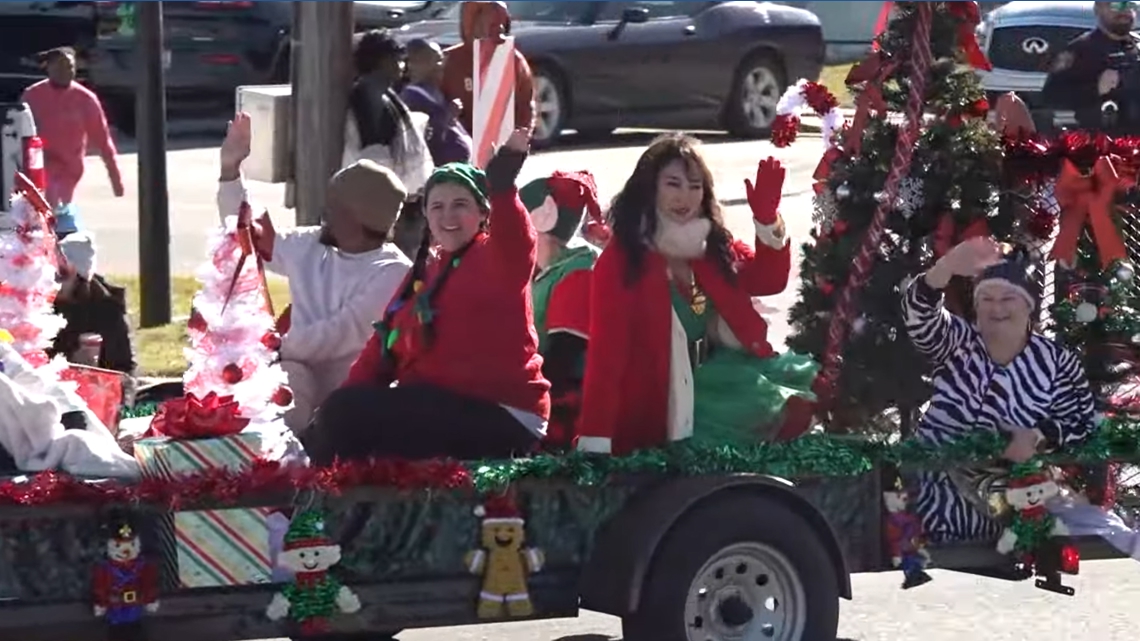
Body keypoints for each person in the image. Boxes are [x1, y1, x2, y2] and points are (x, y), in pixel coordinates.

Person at [302, 128, 549, 465]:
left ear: (482, 214)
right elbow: (381, 350)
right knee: (335, 417)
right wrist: (335, 409)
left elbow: (516, 236)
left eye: (460, 205)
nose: (448, 216)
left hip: (504, 415)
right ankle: (318, 505)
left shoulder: (498, 258)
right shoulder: (422, 274)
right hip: (439, 407)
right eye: (438, 207)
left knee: (348, 417)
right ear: (428, 219)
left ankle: (313, 511)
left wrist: (503, 186)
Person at [575, 135, 819, 456]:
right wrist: (595, 441)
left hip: (725, 382)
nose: (685, 197)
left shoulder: (709, 245)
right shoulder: (622, 259)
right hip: (664, 406)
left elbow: (767, 281)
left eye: (694, 186)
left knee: (813, 391)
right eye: (673, 184)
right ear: (649, 189)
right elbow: (606, 357)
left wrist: (766, 221)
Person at [219, 112, 412, 434]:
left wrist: (269, 346)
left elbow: (336, 334)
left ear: (355, 217)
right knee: (289, 378)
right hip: (297, 375)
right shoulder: (312, 244)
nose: (325, 213)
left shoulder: (392, 272)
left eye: (333, 206)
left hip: (357, 395)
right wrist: (230, 171)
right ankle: (270, 466)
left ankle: (297, 468)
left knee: (293, 377)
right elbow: (244, 239)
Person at [903, 237, 1096, 543]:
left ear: (1029, 305)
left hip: (1014, 514)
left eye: (1008, 299)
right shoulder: (957, 342)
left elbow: (1082, 424)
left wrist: (1038, 436)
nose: (997, 309)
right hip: (935, 506)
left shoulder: (1056, 362)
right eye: (987, 299)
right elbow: (921, 318)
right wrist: (946, 267)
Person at [519, 171, 606, 447]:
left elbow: (563, 361)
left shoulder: (580, 272)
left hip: (567, 415)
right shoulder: (547, 269)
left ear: (539, 219)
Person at [21, 47, 124, 237]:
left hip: (70, 166)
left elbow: (103, 142)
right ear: (48, 68)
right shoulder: (32, 95)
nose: (66, 72)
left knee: (57, 201)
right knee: (45, 205)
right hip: (40, 163)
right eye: (60, 67)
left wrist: (116, 180)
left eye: (70, 67)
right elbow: (19, 133)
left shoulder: (86, 100)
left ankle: (64, 240)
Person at [344, 29, 433, 197]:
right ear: (383, 60)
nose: (403, 65)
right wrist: (388, 193)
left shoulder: (381, 92)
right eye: (398, 59)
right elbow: (374, 149)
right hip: (380, 194)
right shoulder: (371, 94)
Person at [1042, 1, 1140, 135]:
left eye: (1129, 5)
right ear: (1098, 9)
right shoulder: (1081, 49)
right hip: (1105, 143)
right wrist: (1096, 88)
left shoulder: (1137, 45)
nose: (1124, 11)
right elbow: (1051, 95)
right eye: (1115, 4)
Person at [442, 2, 536, 141]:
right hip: (458, 145)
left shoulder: (514, 61)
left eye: (500, 25)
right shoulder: (450, 61)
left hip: (502, 146)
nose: (497, 30)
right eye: (489, 24)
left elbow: (525, 104)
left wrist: (521, 134)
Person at [49, 232, 135, 375]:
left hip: (91, 390)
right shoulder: (38, 305)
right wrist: (68, 362)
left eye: (61, 274)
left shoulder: (107, 310)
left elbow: (124, 370)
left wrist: (93, 371)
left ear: (80, 278)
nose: (52, 281)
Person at [401, 38, 473, 166]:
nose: (441, 65)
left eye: (441, 59)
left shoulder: (435, 91)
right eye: (434, 60)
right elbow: (422, 140)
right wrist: (449, 116)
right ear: (414, 64)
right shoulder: (412, 98)